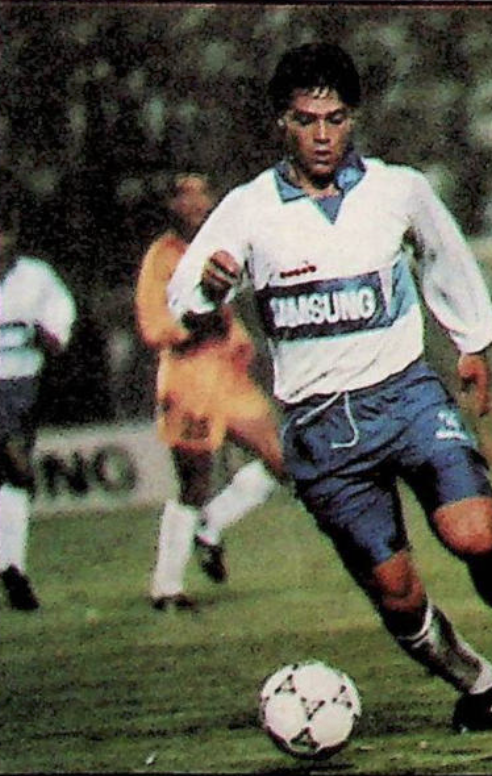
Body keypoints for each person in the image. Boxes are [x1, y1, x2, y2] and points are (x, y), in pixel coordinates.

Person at [167, 43, 492, 732]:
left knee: (471, 534)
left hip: (406, 397)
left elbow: (444, 253)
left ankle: (491, 550)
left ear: (352, 118)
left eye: (335, 119)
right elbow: (186, 296)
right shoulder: (248, 209)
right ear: (282, 123)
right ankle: (476, 681)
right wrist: (208, 288)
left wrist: (472, 339)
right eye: (306, 120)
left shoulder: (397, 189)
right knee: (397, 595)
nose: (322, 135)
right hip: (320, 430)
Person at [135, 173, 285, 611]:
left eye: (205, 193)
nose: (199, 202)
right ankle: (166, 588)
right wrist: (189, 326)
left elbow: (227, 311)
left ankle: (211, 525)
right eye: (189, 195)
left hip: (227, 377)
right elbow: (154, 323)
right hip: (188, 380)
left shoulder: (217, 246)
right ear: (172, 204)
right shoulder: (162, 256)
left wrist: (237, 339)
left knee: (284, 458)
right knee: (194, 482)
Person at [0, 204, 77, 611]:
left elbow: (59, 327)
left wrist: (46, 335)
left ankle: (12, 567)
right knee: (15, 467)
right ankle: (12, 569)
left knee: (14, 478)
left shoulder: (36, 278)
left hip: (22, 386)